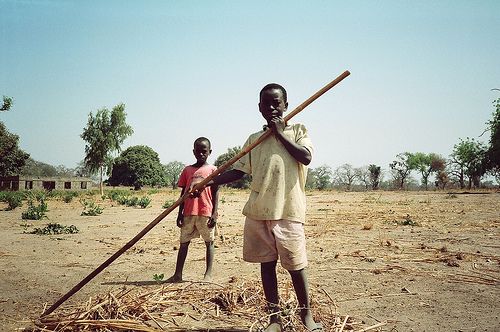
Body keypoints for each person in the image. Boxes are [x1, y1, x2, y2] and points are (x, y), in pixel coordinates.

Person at [197, 84, 321, 331]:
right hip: (259, 210)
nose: (272, 107)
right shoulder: (254, 140)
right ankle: (274, 319)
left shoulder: (298, 130)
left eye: (277, 102)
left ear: (286, 104)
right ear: (259, 108)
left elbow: (305, 157)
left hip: (288, 210)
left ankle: (306, 316)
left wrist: (280, 133)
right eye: (267, 103)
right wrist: (207, 181)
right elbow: (237, 172)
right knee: (267, 265)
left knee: (296, 266)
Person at [166, 137, 219, 283]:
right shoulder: (187, 170)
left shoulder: (213, 170)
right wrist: (180, 213)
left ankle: (208, 274)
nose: (201, 154)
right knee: (184, 242)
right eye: (198, 151)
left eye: (204, 151)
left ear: (210, 152)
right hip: (189, 212)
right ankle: (178, 274)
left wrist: (215, 213)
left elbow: (215, 192)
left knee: (209, 242)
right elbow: (183, 193)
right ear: (193, 151)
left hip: (206, 211)